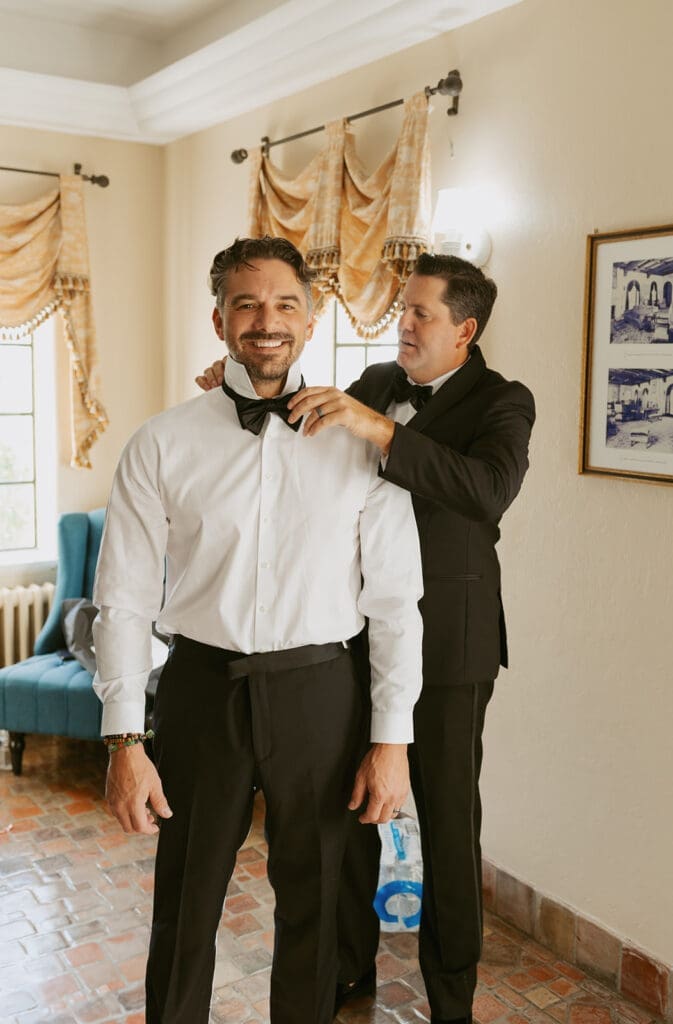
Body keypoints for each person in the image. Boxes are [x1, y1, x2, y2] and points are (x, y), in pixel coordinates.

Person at [92, 235, 424, 1024]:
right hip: (202, 689)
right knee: (185, 902)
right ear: (218, 321)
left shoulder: (365, 444)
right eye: (245, 304)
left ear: (311, 322)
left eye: (283, 305)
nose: (264, 321)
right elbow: (124, 599)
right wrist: (123, 742)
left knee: (314, 907)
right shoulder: (162, 441)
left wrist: (392, 739)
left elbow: (395, 605)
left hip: (322, 693)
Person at [196, 252, 536, 1024]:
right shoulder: (377, 382)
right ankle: (347, 969)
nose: (402, 324)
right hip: (356, 641)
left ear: (465, 329)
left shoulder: (502, 401)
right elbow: (303, 437)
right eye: (402, 309)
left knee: (448, 823)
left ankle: (451, 997)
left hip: (450, 650)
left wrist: (379, 429)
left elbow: (486, 493)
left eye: (420, 314)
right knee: (345, 822)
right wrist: (233, 389)